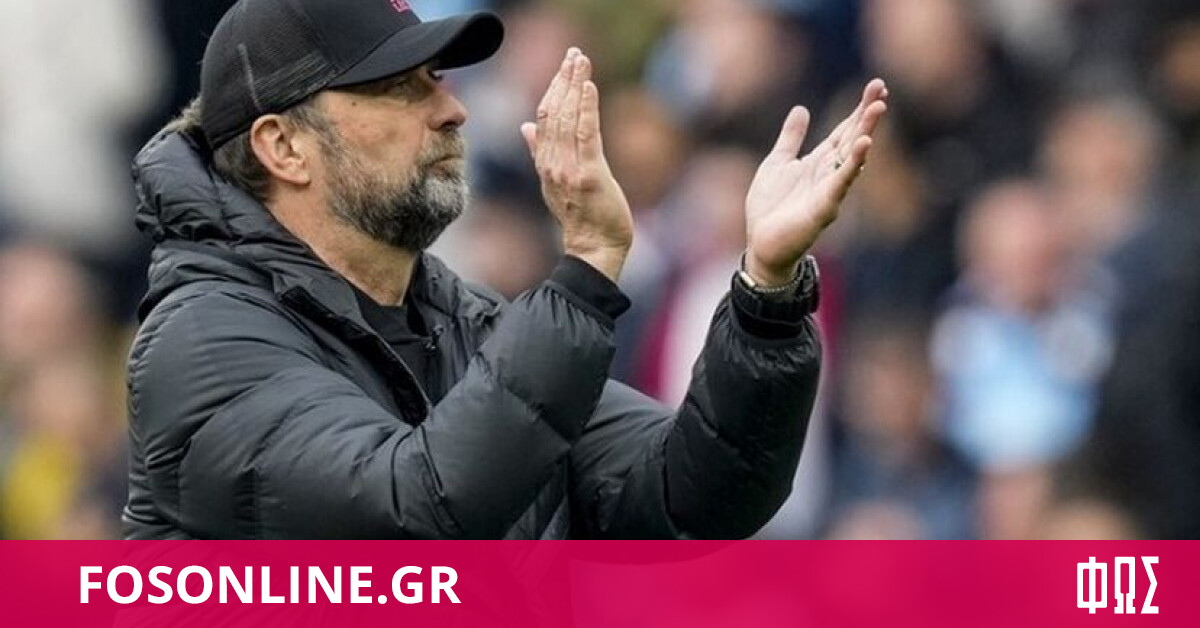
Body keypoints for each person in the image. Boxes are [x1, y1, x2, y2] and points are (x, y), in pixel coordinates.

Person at [123, 0, 887, 539]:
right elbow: (415, 514)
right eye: (399, 88)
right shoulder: (205, 342)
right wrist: (586, 268)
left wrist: (766, 294)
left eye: (438, 78)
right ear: (284, 147)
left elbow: (700, 494)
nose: (451, 109)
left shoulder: (471, 322)